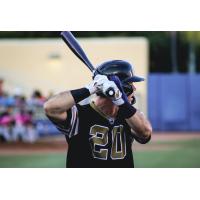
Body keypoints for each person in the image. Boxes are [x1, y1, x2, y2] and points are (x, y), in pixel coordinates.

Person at [44, 60, 152, 168]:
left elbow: (145, 133)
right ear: (124, 88)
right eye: (130, 84)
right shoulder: (79, 114)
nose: (134, 88)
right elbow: (50, 108)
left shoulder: (130, 117)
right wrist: (92, 87)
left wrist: (120, 100)